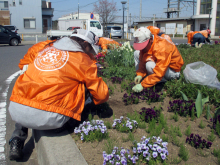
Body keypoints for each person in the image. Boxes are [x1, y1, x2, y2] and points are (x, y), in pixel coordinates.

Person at [8, 29, 109, 160]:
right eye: (90, 49)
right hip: (51, 119)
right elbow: (101, 95)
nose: (90, 53)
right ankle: (68, 123)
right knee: (83, 87)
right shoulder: (83, 59)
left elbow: (23, 64)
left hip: (17, 110)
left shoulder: (46, 49)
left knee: (30, 89)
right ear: (85, 43)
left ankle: (17, 140)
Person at [132, 27, 184, 92]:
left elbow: (160, 71)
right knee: (137, 53)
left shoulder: (162, 47)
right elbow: (143, 61)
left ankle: (161, 82)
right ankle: (148, 79)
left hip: (172, 71)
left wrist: (143, 85)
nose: (142, 48)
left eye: (143, 45)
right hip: (161, 67)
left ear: (150, 39)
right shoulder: (150, 44)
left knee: (149, 65)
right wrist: (140, 74)